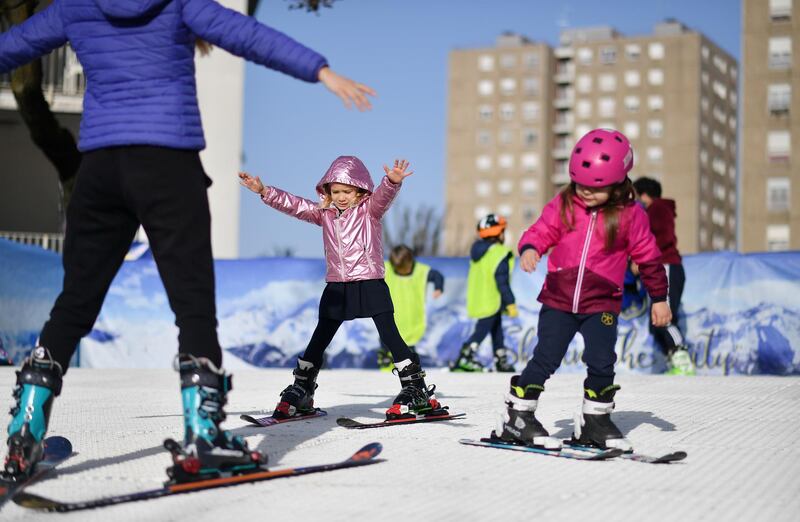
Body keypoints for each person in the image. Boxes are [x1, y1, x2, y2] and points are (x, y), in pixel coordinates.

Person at [0, 0, 375, 480]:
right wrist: (320, 70)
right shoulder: (177, 4)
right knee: (192, 304)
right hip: (168, 165)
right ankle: (203, 438)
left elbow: (12, 45)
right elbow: (248, 36)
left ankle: (24, 432)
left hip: (100, 169)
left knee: (74, 302)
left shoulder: (75, 6)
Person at [494, 129, 671, 451]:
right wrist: (531, 248)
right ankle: (518, 417)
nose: (586, 192)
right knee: (546, 358)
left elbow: (649, 257)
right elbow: (541, 229)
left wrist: (659, 298)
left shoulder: (631, 215)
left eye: (596, 187)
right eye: (581, 184)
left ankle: (596, 421)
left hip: (601, 302)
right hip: (559, 299)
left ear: (618, 183)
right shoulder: (565, 202)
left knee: (602, 360)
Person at [239, 157, 446, 420]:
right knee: (320, 337)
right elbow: (296, 206)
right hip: (337, 285)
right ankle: (302, 387)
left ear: (359, 190)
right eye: (335, 192)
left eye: (347, 191)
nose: (341, 197)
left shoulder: (369, 209)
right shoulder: (324, 214)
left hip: (369, 281)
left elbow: (384, 196)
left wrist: (392, 181)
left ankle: (416, 388)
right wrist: (264, 191)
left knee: (389, 334)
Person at [632, 177, 694, 375]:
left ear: (643, 195)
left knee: (664, 318)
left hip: (666, 266)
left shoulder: (657, 209)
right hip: (665, 266)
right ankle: (675, 360)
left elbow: (660, 238)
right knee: (657, 321)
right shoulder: (656, 210)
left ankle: (682, 358)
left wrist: (642, 258)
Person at [451, 214, 518, 373]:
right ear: (499, 233)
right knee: (482, 330)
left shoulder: (478, 252)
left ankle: (500, 359)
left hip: (479, 298)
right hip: (491, 299)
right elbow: (502, 281)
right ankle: (465, 356)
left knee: (496, 329)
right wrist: (510, 302)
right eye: (503, 231)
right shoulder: (499, 252)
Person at [379, 245, 444, 371]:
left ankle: (409, 371)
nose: (401, 271)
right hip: (391, 317)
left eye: (405, 269)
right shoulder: (386, 269)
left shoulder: (421, 271)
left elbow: (437, 276)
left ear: (411, 261)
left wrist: (438, 287)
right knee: (387, 340)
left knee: (408, 356)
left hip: (412, 322)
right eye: (398, 269)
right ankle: (385, 363)